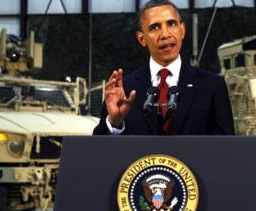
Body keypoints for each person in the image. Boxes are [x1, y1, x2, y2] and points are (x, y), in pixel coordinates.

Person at [92, 0, 234, 135]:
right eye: (155, 27)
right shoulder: (124, 90)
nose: (165, 34)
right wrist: (114, 122)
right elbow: (97, 151)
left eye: (171, 24)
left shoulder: (212, 85)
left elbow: (227, 148)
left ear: (182, 30)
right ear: (141, 38)